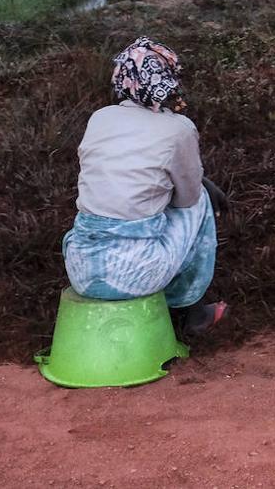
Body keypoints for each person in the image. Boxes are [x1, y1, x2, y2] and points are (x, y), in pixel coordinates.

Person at [61, 36, 228, 333]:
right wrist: (202, 186)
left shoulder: (99, 118)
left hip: (81, 271)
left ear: (122, 78)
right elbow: (186, 200)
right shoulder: (179, 128)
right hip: (136, 274)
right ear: (168, 80)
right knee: (200, 200)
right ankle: (188, 309)